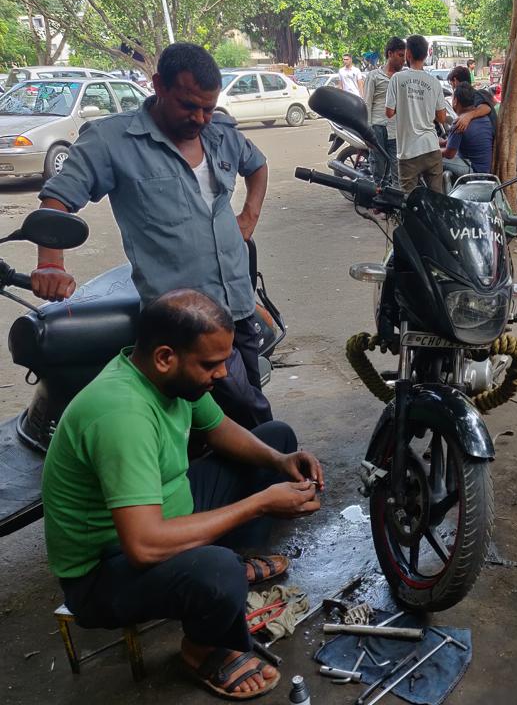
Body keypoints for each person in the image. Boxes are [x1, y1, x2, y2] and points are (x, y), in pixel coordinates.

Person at [42, 289, 324, 700]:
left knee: (276, 439)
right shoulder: (122, 415)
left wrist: (281, 460)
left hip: (167, 513)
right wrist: (260, 504)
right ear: (164, 357)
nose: (223, 374)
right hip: (105, 570)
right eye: (211, 364)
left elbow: (219, 428)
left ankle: (222, 562)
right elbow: (142, 545)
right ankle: (201, 650)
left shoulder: (168, 380)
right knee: (219, 573)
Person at [34, 42, 272, 430]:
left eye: (208, 108)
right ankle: (273, 475)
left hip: (238, 301)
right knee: (247, 412)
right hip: (183, 322)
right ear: (158, 85)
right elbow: (56, 201)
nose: (199, 117)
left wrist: (249, 217)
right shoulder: (112, 141)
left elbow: (257, 165)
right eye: (188, 105)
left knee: (240, 409)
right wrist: (50, 264)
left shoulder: (220, 132)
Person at [385, 34, 447, 193]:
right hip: (431, 149)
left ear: (408, 54)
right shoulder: (434, 82)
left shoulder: (397, 79)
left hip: (408, 152)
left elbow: (389, 112)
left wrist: (406, 105)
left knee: (408, 202)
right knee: (436, 201)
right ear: (426, 55)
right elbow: (441, 117)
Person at [364, 37, 405, 186]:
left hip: (396, 130)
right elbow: (367, 104)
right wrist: (366, 132)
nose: (403, 60)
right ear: (390, 54)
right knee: (379, 169)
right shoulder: (374, 76)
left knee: (397, 168)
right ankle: (379, 202)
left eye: (405, 56)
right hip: (377, 128)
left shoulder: (403, 78)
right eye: (400, 56)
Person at [441, 83, 494, 176]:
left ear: (455, 101)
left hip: (473, 170)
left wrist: (431, 151)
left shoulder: (459, 122)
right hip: (485, 169)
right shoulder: (484, 118)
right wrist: (440, 143)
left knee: (432, 158)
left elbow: (449, 154)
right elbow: (466, 141)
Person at [448, 65, 496, 134]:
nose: (452, 88)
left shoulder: (474, 95)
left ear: (455, 81)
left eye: (451, 84)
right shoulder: (479, 94)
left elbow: (487, 108)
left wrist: (468, 116)